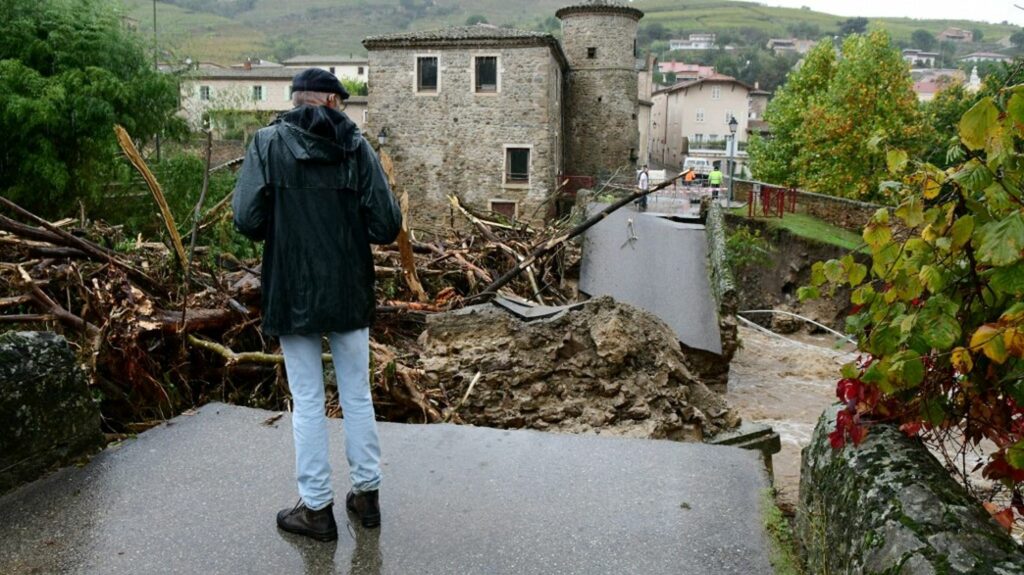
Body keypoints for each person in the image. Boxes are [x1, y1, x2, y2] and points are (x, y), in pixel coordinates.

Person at [233, 68, 402, 540]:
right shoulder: (358, 147)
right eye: (341, 103)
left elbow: (246, 218)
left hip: (291, 285)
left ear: (297, 100)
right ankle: (366, 498)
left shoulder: (268, 143)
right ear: (329, 100)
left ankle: (316, 510)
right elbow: (387, 224)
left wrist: (286, 226)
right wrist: (347, 227)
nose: (344, 110)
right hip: (350, 286)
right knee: (357, 394)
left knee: (307, 400)